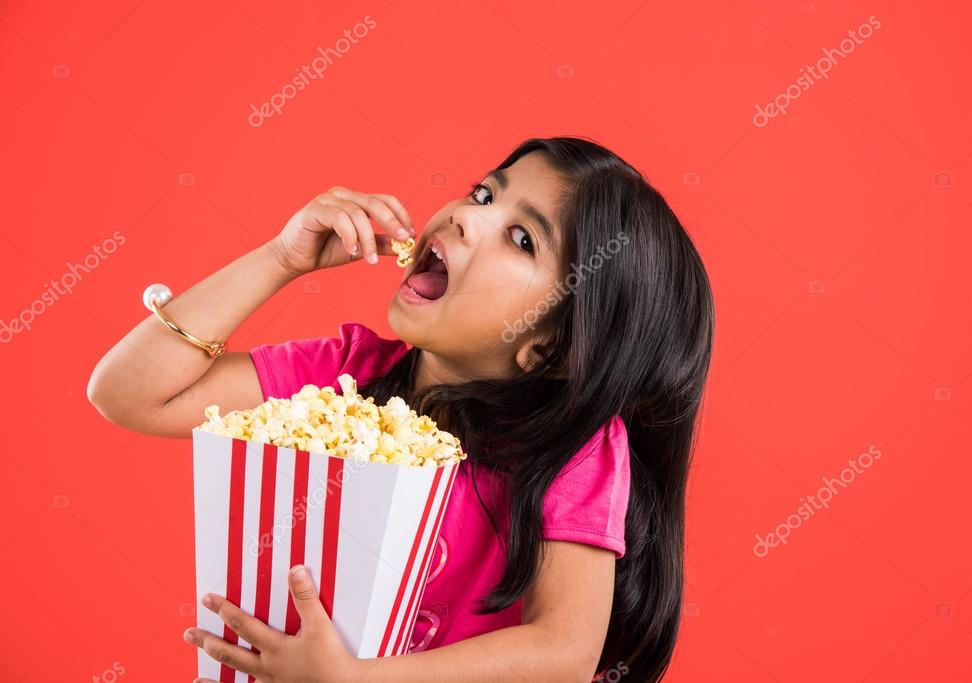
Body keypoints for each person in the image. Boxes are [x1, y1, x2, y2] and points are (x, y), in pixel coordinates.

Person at [88, 136, 715, 682]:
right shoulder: (342, 377)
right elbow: (131, 394)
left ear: (547, 346)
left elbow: (565, 653)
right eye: (484, 194)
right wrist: (281, 260)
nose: (469, 219)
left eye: (522, 239)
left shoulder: (572, 446)